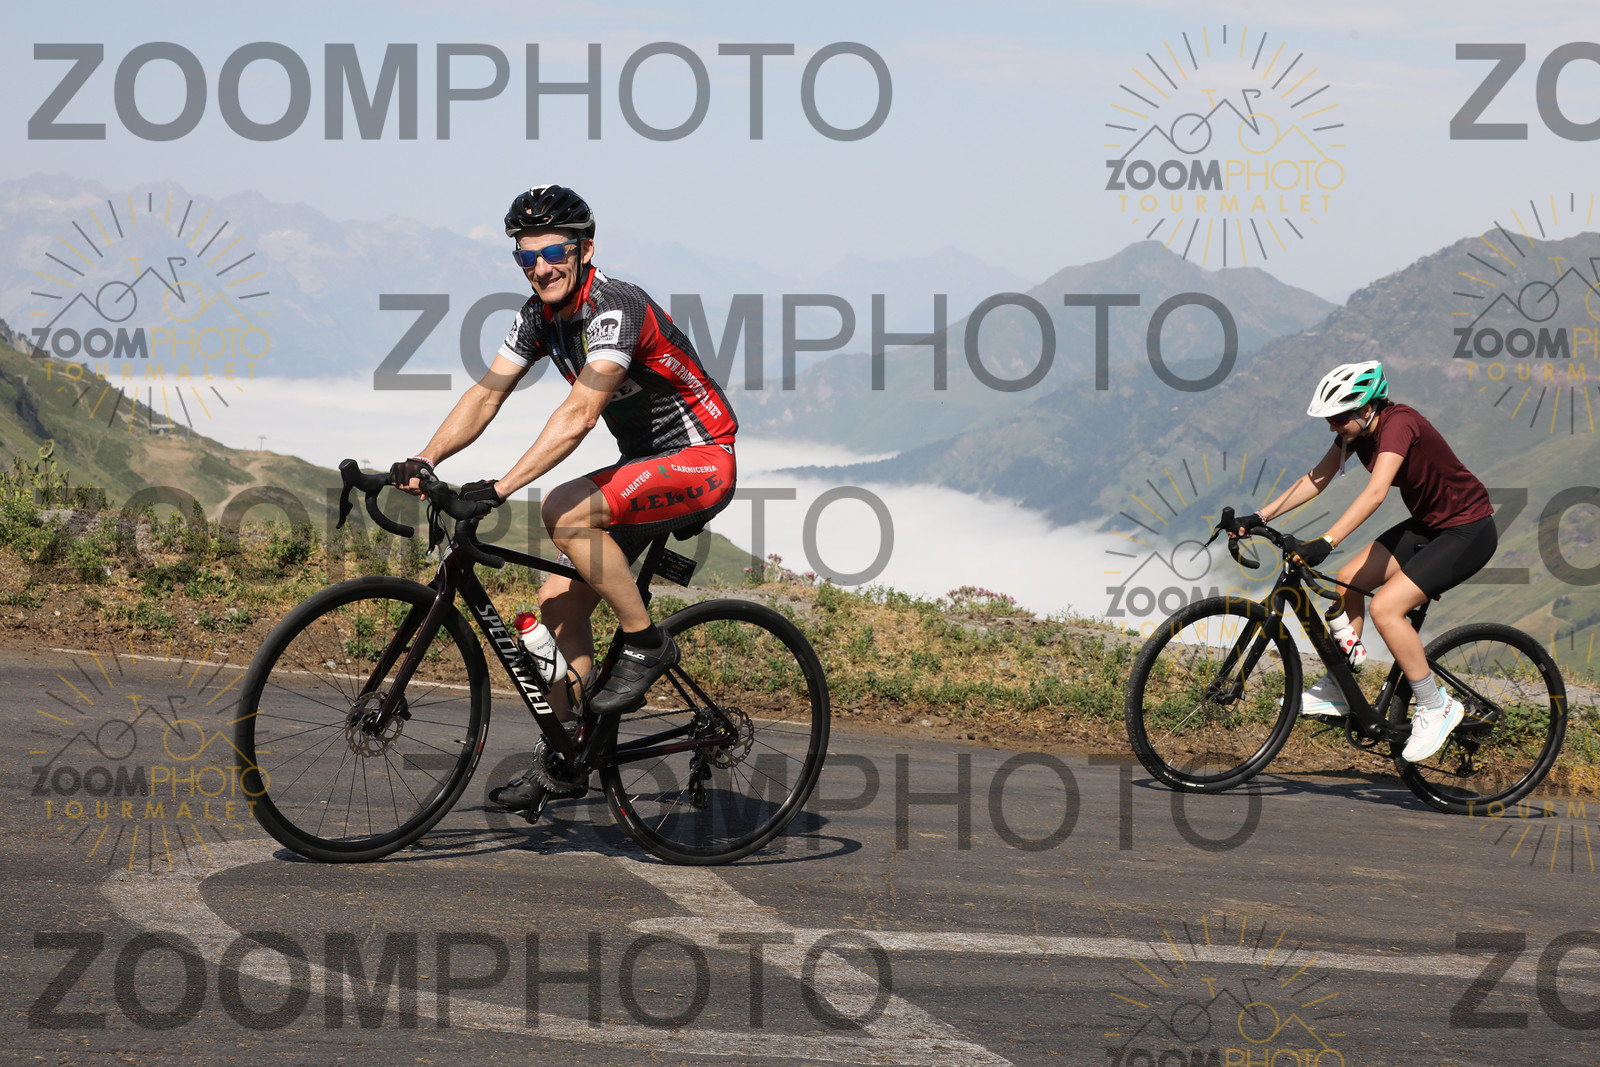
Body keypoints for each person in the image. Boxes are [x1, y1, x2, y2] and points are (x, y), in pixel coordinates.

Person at [393, 184, 739, 816]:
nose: (541, 268)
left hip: (703, 456)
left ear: (584, 250)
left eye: (553, 252)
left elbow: (580, 414)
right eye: (526, 257)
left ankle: (647, 642)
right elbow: (487, 394)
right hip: (644, 467)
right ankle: (568, 757)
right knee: (555, 606)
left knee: (564, 508)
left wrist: (500, 488)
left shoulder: (617, 308)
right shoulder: (539, 315)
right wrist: (427, 458)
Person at [1230, 360, 1497, 763]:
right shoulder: (1356, 432)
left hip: (1468, 531)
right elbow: (1315, 479)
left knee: (1386, 609)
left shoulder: (1399, 424)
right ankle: (1340, 687)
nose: (1332, 427)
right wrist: (1259, 517)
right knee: (1348, 578)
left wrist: (1327, 540)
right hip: (1429, 526)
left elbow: (1375, 493)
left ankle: (1435, 705)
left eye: (1338, 418)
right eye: (1329, 419)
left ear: (1366, 408)